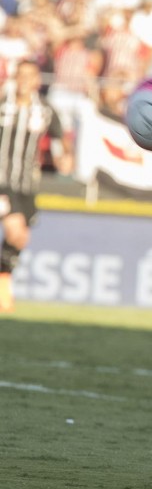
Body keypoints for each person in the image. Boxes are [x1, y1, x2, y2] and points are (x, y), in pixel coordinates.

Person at [0, 59, 74, 310]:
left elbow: (61, 136)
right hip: (1, 181)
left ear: (36, 81)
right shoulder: (2, 104)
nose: (23, 80)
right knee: (14, 228)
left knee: (21, 239)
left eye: (28, 76)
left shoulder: (44, 110)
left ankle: (3, 281)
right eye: (19, 75)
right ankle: (2, 288)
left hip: (27, 185)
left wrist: (65, 156)